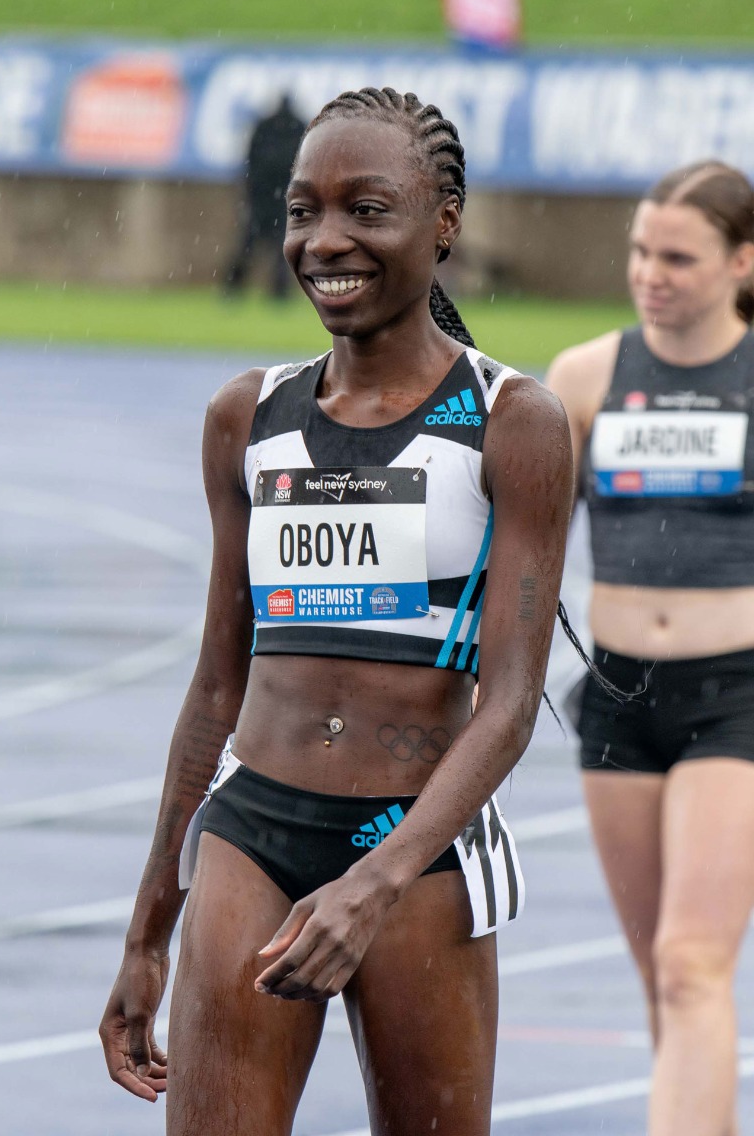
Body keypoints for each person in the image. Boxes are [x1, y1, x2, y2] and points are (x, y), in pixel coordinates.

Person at [100, 85, 573, 1135]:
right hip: (252, 836)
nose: (325, 241)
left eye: (366, 209)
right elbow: (216, 683)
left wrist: (376, 881)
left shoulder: (511, 423)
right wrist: (147, 932)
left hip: (415, 849)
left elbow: (507, 706)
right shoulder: (246, 417)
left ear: (442, 223)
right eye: (301, 210)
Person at [547, 161, 754, 1136]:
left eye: (676, 256)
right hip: (618, 698)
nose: (649, 272)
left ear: (740, 261)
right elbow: (521, 537)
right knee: (659, 982)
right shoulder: (585, 377)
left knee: (688, 964)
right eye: (638, 250)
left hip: (736, 699)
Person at [223, 93, 305, 298]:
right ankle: (279, 290)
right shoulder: (299, 128)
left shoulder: (265, 126)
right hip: (284, 198)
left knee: (250, 245)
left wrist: (250, 190)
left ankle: (234, 287)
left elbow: (250, 162)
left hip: (264, 197)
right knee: (280, 247)